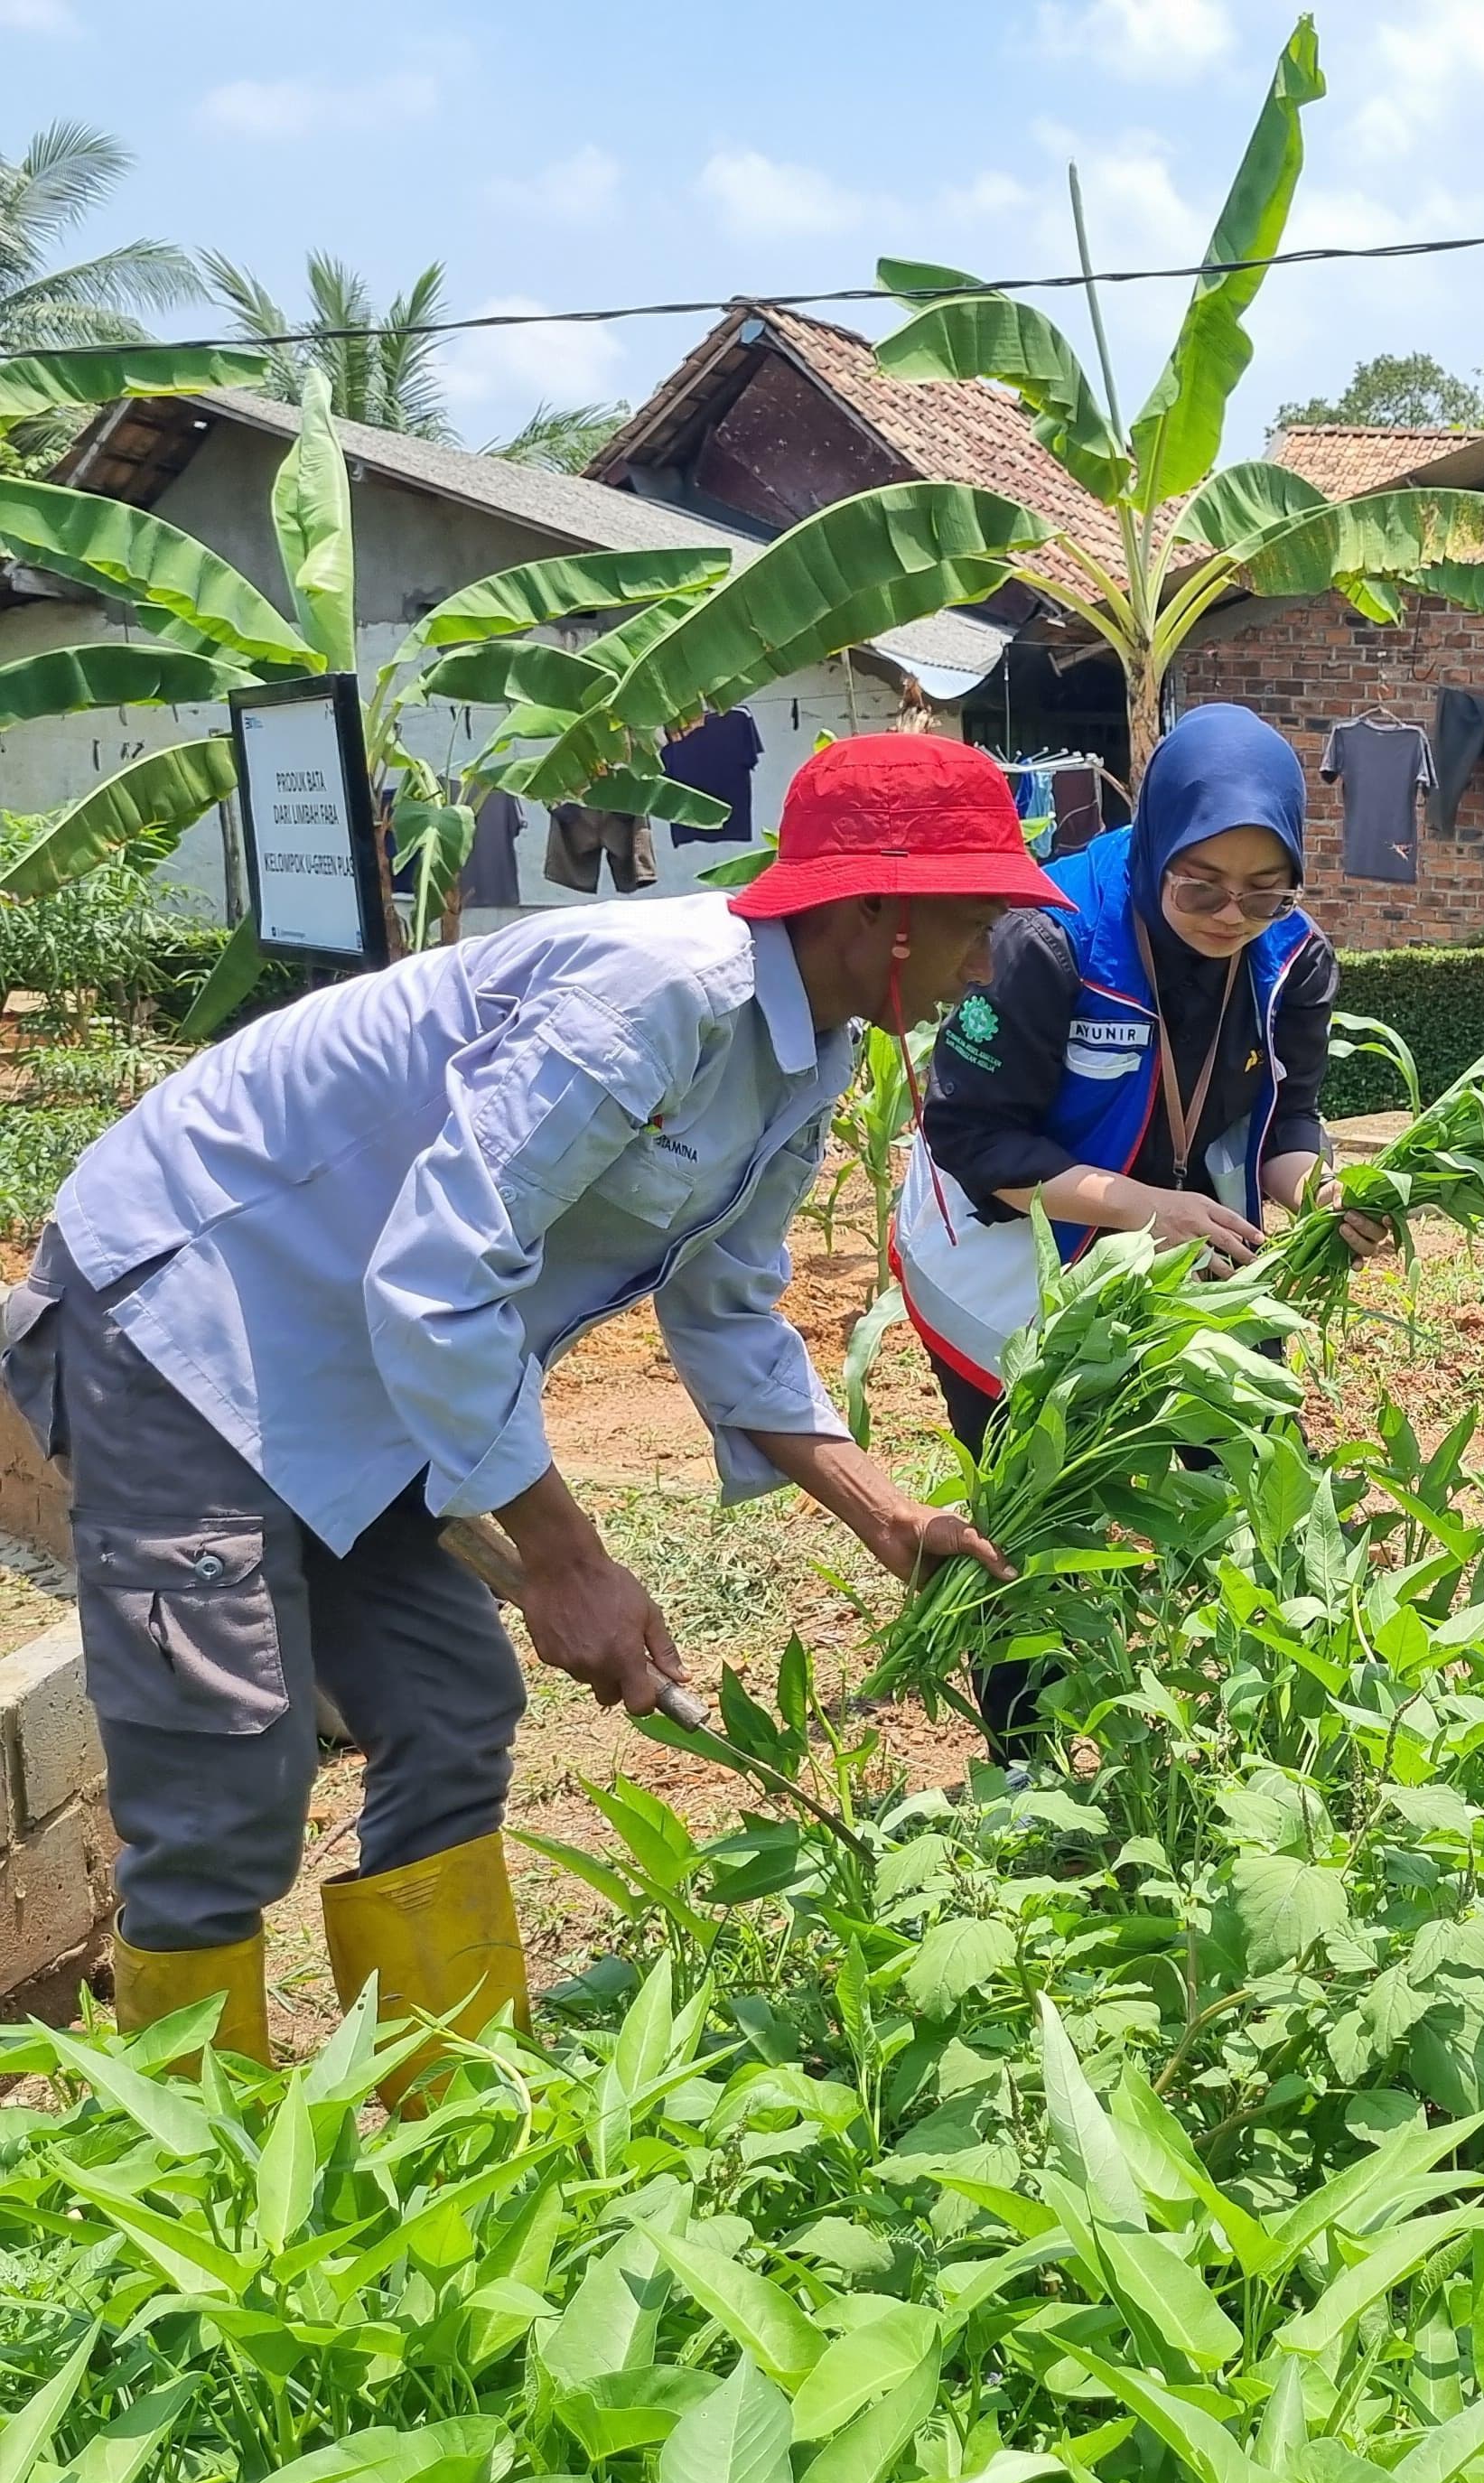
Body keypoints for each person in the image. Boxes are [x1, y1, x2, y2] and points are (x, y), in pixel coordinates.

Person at [0, 733, 1049, 2068]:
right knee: (229, 1771)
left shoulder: (819, 1051)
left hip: (359, 1358)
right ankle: (196, 2185)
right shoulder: (654, 997)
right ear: (874, 915)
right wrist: (569, 1560)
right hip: (182, 1314)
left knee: (449, 1703)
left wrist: (885, 1512)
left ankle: (455, 2121)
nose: (987, 959)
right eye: (976, 922)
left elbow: (724, 1301)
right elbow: (440, 1278)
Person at [895, 704, 1377, 1741]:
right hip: (1003, 1243)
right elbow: (972, 1140)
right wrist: (1139, 1209)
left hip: (1173, 1230)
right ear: (1156, 839)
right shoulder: (1046, 938)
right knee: (1036, 1495)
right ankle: (1021, 1756)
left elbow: (1284, 1120)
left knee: (1245, 1457)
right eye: (1199, 885)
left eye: (1264, 889)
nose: (1229, 913)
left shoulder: (1291, 956)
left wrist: (1322, 1193)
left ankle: (1233, 1726)